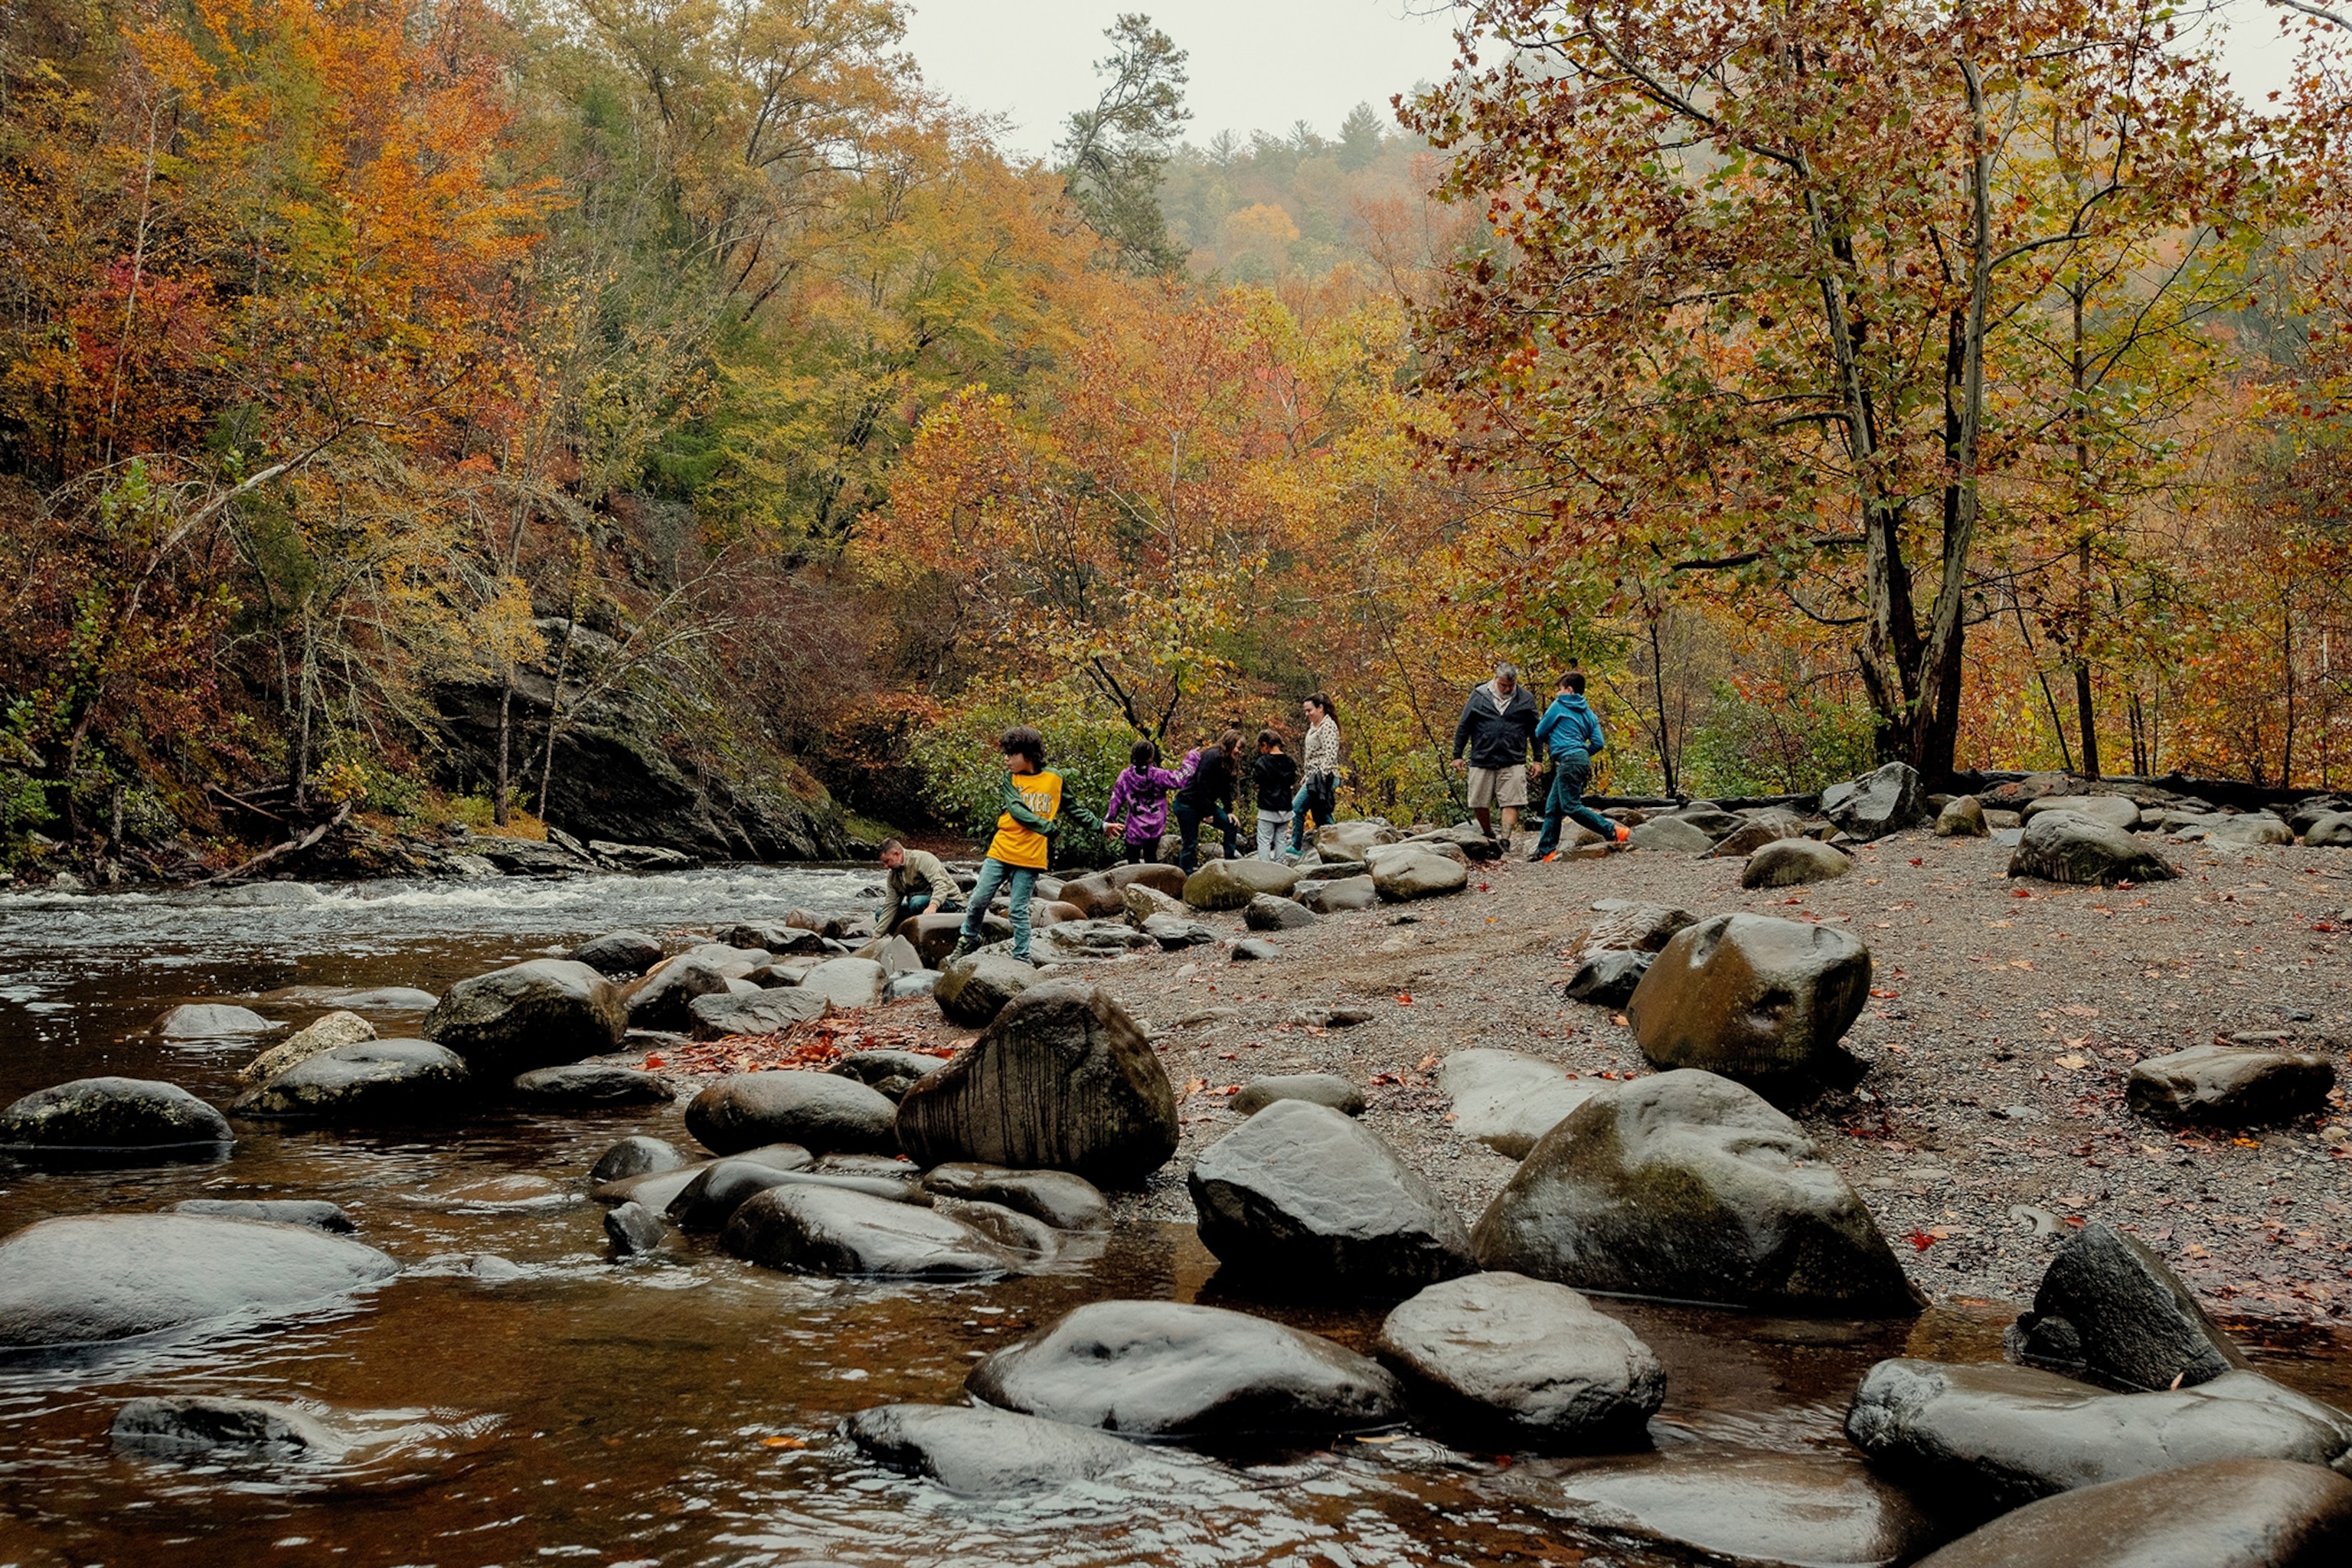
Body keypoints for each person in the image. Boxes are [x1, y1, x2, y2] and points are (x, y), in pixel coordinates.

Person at [946, 726, 1102, 965]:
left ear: (1027, 754)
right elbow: (1017, 811)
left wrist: (1101, 826)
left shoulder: (1054, 778)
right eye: (1005, 754)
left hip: (1031, 856)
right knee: (978, 899)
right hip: (1002, 849)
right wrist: (1047, 827)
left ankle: (1021, 959)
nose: (1006, 759)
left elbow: (1074, 809)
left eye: (1011, 754)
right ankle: (969, 938)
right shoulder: (1010, 778)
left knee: (1018, 910)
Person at [1531, 671, 1630, 859]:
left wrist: (1553, 743)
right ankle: (1546, 852)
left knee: (1571, 806)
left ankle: (1613, 831)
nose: (1557, 693)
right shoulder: (1589, 714)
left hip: (1567, 759)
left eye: (1560, 689)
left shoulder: (1559, 705)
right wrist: (1583, 752)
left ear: (1569, 690)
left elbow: (1540, 731)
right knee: (1553, 807)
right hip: (1579, 759)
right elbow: (1598, 743)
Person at [1452, 662, 1541, 847]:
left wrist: (1538, 759)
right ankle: (1487, 832)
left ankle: (1505, 839)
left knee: (1512, 800)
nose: (1507, 688)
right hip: (1482, 757)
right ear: (1496, 679)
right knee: (1478, 801)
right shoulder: (1478, 696)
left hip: (1513, 758)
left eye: (1511, 685)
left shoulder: (1526, 698)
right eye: (1503, 685)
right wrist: (1457, 755)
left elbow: (1535, 731)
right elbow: (1464, 726)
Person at [1102, 739, 1191, 864]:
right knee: (1151, 857)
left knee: (1132, 861)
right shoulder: (1159, 775)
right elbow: (1179, 780)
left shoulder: (1125, 776)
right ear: (1150, 758)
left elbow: (1115, 801)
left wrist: (1109, 821)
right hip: (1155, 826)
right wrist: (1192, 758)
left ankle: (1133, 881)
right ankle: (1151, 881)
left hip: (1134, 827)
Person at [1172, 728, 1243, 873]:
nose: (1240, 752)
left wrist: (1229, 811)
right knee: (1190, 842)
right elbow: (1202, 783)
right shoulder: (1213, 756)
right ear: (1230, 743)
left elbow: (1225, 788)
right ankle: (1186, 875)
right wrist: (1207, 812)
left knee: (1231, 825)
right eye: (1238, 747)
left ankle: (1230, 864)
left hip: (1203, 804)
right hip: (1187, 804)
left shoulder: (1228, 761)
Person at [875, 839, 962, 934]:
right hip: (918, 908)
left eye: (887, 862)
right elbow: (891, 905)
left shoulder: (922, 859)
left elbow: (941, 884)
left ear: (897, 854)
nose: (885, 866)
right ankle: (902, 937)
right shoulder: (893, 876)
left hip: (948, 902)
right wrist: (877, 935)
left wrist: (933, 906)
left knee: (917, 903)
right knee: (880, 914)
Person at [1290, 694, 1341, 853]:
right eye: (1305, 711)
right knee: (1322, 816)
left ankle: (1296, 846)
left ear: (1320, 708)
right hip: (1314, 777)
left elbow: (1330, 755)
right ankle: (1337, 846)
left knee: (1297, 807)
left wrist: (1320, 777)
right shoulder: (1314, 727)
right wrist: (1308, 774)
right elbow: (1314, 755)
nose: (1307, 714)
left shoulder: (1328, 727)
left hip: (1324, 778)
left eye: (1309, 710)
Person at [1250, 729, 1298, 861]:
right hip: (1285, 807)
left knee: (1265, 840)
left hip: (1267, 807)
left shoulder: (1263, 762)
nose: (1261, 751)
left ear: (1265, 745)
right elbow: (1292, 781)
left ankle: (1265, 869)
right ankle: (1280, 867)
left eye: (1261, 747)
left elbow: (1257, 781)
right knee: (1281, 839)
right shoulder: (1289, 762)